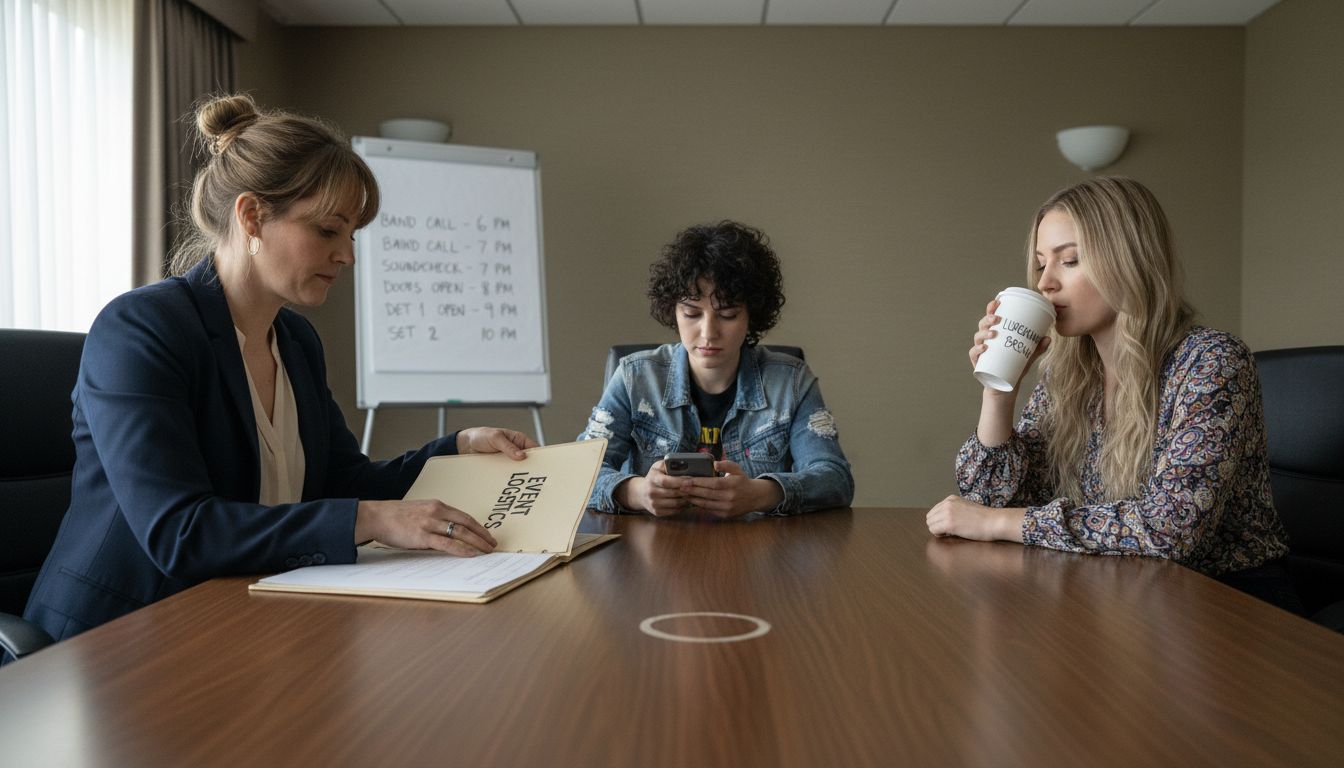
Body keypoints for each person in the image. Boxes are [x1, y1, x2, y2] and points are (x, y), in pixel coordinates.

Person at [23, 94, 535, 643]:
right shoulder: (142, 329)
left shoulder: (294, 341)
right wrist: (376, 519)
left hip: (237, 624)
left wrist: (455, 447)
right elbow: (179, 532)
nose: (348, 256)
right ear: (252, 216)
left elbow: (342, 480)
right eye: (327, 230)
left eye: (352, 235)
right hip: (115, 642)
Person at [927, 176, 1299, 612]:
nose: (1045, 283)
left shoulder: (1212, 361)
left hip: (1229, 601)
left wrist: (999, 524)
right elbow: (986, 499)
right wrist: (999, 388)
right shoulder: (1069, 374)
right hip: (1124, 597)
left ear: (1129, 261)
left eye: (1070, 261)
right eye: (1041, 263)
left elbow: (1170, 530)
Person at [579, 220, 854, 517]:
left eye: (728, 314)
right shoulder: (635, 378)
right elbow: (577, 474)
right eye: (692, 313)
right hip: (654, 550)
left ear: (752, 316)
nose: (708, 333)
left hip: (757, 553)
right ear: (673, 311)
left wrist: (761, 494)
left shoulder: (792, 381)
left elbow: (835, 478)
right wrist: (636, 492)